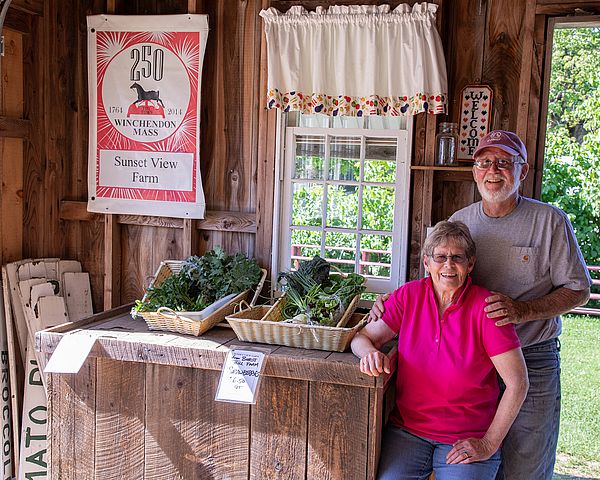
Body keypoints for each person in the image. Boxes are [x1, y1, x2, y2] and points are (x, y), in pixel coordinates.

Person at [370, 130, 592, 480]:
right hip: (472, 360)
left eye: (504, 162)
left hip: (531, 355)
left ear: (523, 171)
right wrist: (389, 301)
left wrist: (523, 310)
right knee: (477, 455)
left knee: (526, 463)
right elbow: (437, 276)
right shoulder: (463, 220)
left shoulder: (550, 221)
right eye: (485, 162)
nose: (493, 170)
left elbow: (579, 290)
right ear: (474, 171)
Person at [352, 220, 529, 480]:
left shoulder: (486, 308)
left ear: (470, 264)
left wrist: (488, 444)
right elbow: (363, 337)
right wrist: (368, 353)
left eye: (457, 258)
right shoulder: (408, 296)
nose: (448, 265)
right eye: (440, 257)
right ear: (427, 263)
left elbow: (518, 383)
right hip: (408, 432)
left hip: (467, 437)